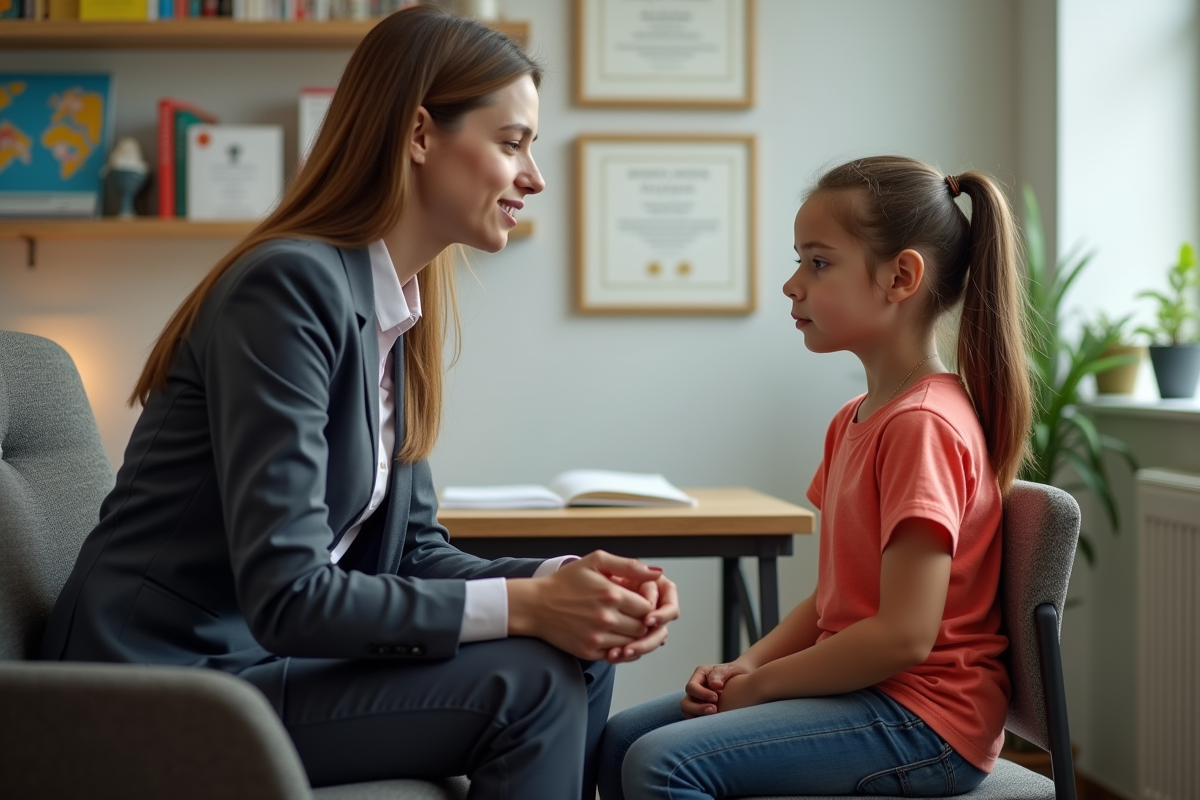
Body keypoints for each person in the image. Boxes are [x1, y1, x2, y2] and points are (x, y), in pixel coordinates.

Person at [39, 7, 678, 799]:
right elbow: (290, 594)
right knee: (533, 684)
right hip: (157, 683)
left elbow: (408, 552)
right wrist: (527, 606)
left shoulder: (390, 308)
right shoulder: (288, 287)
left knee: (576, 655)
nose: (534, 177)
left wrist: (568, 581)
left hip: (252, 664)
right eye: (512, 143)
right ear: (418, 134)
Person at [598, 155, 1034, 799]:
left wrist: (765, 685)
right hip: (870, 693)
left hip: (926, 722)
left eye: (817, 262)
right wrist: (744, 665)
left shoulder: (924, 426)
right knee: (621, 741)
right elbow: (834, 604)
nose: (791, 285)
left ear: (900, 277)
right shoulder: (853, 421)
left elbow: (903, 636)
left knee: (663, 764)